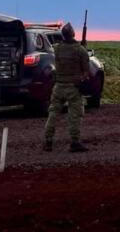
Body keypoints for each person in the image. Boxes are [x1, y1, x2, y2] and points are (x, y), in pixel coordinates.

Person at [43, 22, 91, 153]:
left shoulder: (57, 48)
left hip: (58, 86)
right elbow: (86, 71)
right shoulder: (80, 50)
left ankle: (48, 141)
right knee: (75, 116)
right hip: (73, 88)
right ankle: (74, 142)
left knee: (53, 114)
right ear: (73, 34)